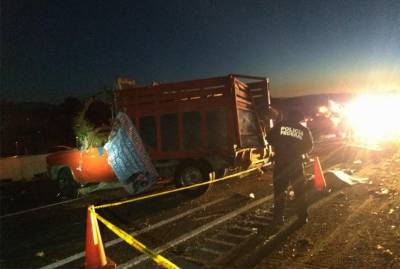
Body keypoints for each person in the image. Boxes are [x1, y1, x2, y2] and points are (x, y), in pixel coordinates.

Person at [267, 108, 313, 225]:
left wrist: (280, 146)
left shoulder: (279, 126)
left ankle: (278, 218)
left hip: (281, 164)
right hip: (295, 164)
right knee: (300, 191)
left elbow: (269, 138)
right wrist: (297, 151)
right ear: (299, 119)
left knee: (280, 192)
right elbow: (309, 146)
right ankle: (302, 217)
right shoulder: (303, 130)